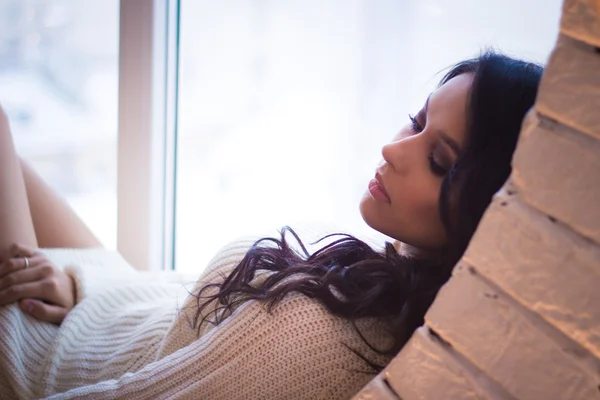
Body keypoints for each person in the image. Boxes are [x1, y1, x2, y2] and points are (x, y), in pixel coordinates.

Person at [0, 51, 543, 400]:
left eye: (439, 162)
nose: (392, 148)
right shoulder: (382, 284)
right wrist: (85, 285)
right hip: (98, 306)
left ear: (483, 213)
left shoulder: (323, 345)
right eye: (417, 121)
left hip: (35, 357)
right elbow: (185, 309)